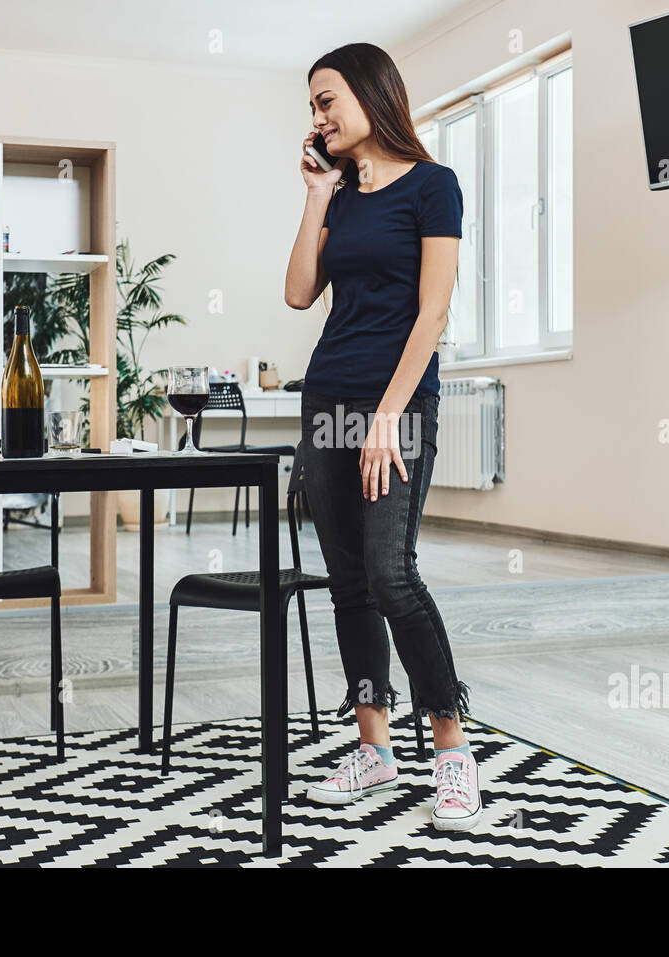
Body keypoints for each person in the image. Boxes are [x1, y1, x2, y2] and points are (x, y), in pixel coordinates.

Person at [283, 41, 479, 831]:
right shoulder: (343, 195)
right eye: (313, 109)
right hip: (328, 394)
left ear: (371, 94)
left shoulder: (435, 187)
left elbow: (433, 313)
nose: (320, 118)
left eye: (327, 101)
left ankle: (452, 749)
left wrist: (391, 414)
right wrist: (315, 194)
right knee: (350, 579)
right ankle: (374, 743)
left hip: (396, 404)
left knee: (393, 572)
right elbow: (300, 293)